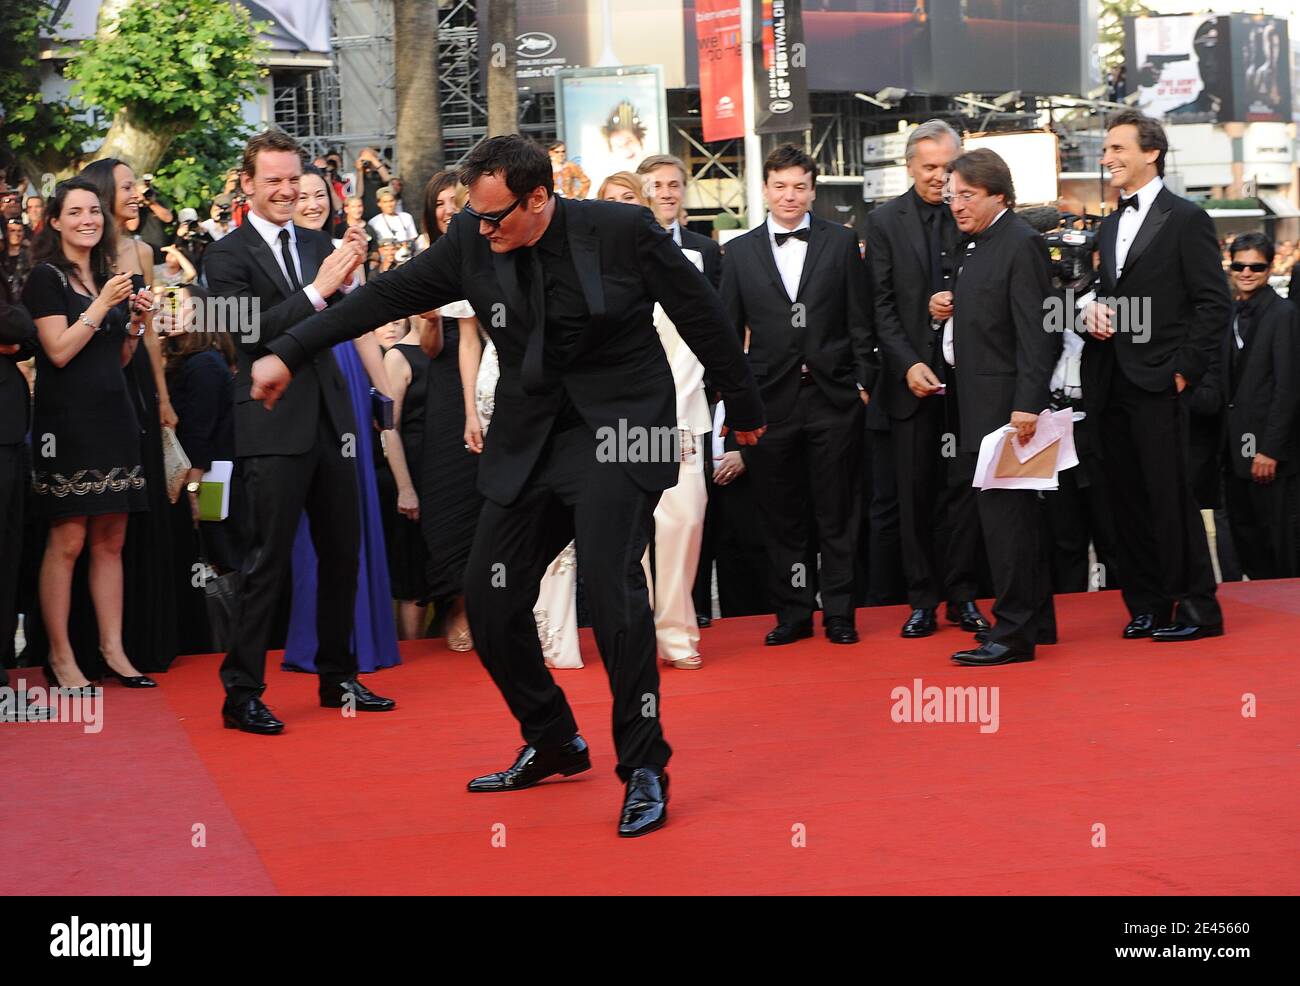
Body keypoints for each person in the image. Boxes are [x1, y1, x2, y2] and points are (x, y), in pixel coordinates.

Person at [247, 135, 765, 837]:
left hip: (621, 430)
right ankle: (553, 736)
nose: (482, 230)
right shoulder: (469, 238)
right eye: (475, 217)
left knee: (612, 590)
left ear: (539, 199)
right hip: (530, 440)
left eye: (495, 218)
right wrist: (286, 349)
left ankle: (644, 765)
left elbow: (701, 311)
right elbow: (385, 297)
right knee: (489, 601)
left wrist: (744, 411)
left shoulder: (620, 230)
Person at [203, 130, 395, 734]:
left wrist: (354, 284)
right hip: (268, 419)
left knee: (343, 552)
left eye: (293, 178)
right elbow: (248, 334)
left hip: (335, 418)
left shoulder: (320, 244)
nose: (287, 190)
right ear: (248, 184)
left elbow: (343, 322)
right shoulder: (224, 255)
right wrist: (319, 290)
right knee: (266, 560)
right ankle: (242, 693)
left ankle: (338, 677)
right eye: (274, 181)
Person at [1081, 110, 1230, 641]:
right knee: (1125, 499)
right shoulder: (1110, 222)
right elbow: (1102, 293)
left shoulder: (1187, 219)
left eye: (1118, 148)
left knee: (1169, 498)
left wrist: (1183, 373)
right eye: (1106, 149)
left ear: (1152, 153)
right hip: (1111, 381)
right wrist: (1088, 310)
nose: (1107, 157)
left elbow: (1214, 305)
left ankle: (1197, 607)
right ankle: (1147, 604)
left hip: (1160, 382)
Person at [720, 143, 874, 646]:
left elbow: (860, 319)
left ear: (813, 190)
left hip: (833, 398)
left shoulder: (841, 242)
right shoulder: (738, 253)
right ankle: (792, 612)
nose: (790, 195)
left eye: (800, 186)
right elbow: (728, 333)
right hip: (770, 404)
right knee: (781, 515)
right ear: (765, 190)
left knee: (838, 511)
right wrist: (740, 398)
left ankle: (841, 613)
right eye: (780, 186)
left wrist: (862, 383)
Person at [21, 178, 156, 689]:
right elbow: (56, 351)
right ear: (55, 221)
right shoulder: (45, 279)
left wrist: (136, 324)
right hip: (67, 424)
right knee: (69, 540)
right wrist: (102, 306)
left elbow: (117, 359)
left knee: (111, 539)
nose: (88, 220)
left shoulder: (106, 276)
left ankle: (113, 650)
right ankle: (60, 656)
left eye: (94, 211)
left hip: (114, 416)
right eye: (75, 211)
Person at [865, 119, 991, 640]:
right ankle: (921, 600)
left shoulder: (976, 214)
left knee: (963, 493)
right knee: (913, 496)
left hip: (971, 383)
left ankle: (963, 596)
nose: (940, 178)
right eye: (930, 167)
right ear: (910, 167)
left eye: (947, 166)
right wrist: (907, 361)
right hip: (910, 382)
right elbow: (880, 305)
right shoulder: (884, 221)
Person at [282, 166, 400, 674]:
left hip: (346, 379)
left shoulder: (347, 251)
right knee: (308, 520)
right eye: (300, 195)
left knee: (348, 510)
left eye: (317, 195)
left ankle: (358, 642)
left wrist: (384, 394)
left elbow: (364, 330)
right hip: (297, 375)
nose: (310, 203)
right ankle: (312, 644)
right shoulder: (283, 256)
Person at [943, 149, 1059, 666]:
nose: (957, 205)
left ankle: (1014, 633)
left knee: (1008, 524)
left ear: (999, 195)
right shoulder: (976, 246)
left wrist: (1027, 405)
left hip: (1010, 413)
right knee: (1008, 522)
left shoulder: (1021, 243)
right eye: (953, 196)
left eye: (968, 195)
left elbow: (1039, 333)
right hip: (980, 406)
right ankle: (1032, 622)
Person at [606, 166, 712, 669]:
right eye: (616, 198)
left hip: (685, 414)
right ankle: (649, 633)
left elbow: (717, 338)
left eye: (633, 197)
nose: (628, 204)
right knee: (632, 531)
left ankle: (674, 625)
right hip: (624, 416)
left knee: (685, 519)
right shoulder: (594, 268)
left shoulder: (693, 257)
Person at [80, 157, 179, 675]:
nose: (136, 194)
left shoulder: (141, 250)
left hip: (135, 376)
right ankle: (91, 641)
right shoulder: (80, 254)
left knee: (137, 510)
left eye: (137, 186)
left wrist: (162, 397)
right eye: (126, 187)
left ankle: (142, 635)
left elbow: (153, 328)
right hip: (92, 382)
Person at [417, 170, 481, 652]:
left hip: (498, 382)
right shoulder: (426, 264)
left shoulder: (491, 247)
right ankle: (455, 607)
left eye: (453, 200)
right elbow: (432, 348)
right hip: (446, 392)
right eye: (439, 203)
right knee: (451, 501)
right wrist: (432, 321)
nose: (447, 209)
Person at [160, 285, 240, 656]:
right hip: (201, 481)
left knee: (216, 557)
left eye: (180, 305)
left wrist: (191, 494)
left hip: (209, 483)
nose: (169, 311)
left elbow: (200, 435)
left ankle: (221, 643)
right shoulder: (187, 360)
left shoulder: (205, 363)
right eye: (166, 304)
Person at [1220, 233, 1299, 578]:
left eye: (1256, 266)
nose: (1247, 272)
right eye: (1240, 265)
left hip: (1270, 456)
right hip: (1233, 453)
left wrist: (1270, 449)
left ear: (1269, 270)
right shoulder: (1227, 314)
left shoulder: (1284, 314)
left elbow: (1289, 387)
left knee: (1280, 548)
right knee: (1247, 545)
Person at [380, 317, 432, 639]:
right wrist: (405, 488)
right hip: (411, 472)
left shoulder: (458, 352)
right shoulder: (397, 357)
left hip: (451, 474)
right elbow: (389, 428)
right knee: (414, 577)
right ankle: (413, 653)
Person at [635, 155, 722, 289]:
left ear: (684, 190)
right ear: (642, 192)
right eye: (656, 186)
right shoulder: (627, 246)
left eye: (674, 185)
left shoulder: (708, 249)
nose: (666, 194)